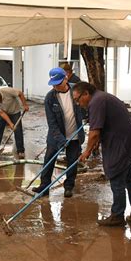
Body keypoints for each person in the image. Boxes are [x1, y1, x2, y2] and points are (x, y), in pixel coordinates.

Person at [76, 82, 131, 226]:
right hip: (128, 140)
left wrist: (87, 151)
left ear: (86, 94)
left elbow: (94, 132)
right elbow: (102, 127)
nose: (77, 103)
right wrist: (96, 142)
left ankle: (117, 215)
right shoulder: (101, 98)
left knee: (116, 178)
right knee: (129, 177)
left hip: (122, 143)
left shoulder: (96, 101)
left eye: (77, 99)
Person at [32, 67, 85, 198]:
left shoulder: (77, 90)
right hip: (56, 137)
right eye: (53, 84)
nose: (56, 86)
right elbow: (52, 123)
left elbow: (86, 105)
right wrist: (61, 140)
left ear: (66, 78)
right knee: (48, 161)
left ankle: (68, 187)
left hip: (75, 135)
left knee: (72, 163)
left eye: (58, 83)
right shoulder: (50, 98)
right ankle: (44, 187)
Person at [0, 86, 29, 159]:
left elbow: (20, 93)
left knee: (17, 130)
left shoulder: (7, 91)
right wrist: (10, 124)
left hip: (15, 111)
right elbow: (2, 113)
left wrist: (25, 105)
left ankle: (20, 151)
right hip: (4, 112)